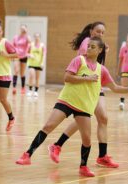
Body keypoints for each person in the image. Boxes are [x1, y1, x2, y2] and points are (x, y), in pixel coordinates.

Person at [16, 37, 128, 177]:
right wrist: (86, 78)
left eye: (93, 47)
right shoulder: (78, 60)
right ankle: (27, 155)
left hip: (84, 107)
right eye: (88, 46)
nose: (88, 48)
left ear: (100, 50)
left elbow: (115, 88)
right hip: (67, 101)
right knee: (48, 126)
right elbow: (67, 78)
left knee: (87, 139)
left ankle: (83, 167)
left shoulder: (102, 70)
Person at [48, 22, 118, 168]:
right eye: (98, 31)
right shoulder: (88, 43)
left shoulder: (97, 45)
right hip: (85, 86)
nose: (100, 34)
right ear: (91, 31)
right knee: (89, 118)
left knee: (101, 118)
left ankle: (101, 156)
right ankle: (58, 145)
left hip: (94, 85)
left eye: (103, 33)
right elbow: (84, 64)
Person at [11, 24, 31, 94]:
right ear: (20, 29)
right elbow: (12, 46)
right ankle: (14, 87)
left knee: (22, 73)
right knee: (16, 71)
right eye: (22, 29)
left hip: (24, 56)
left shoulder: (27, 37)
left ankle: (23, 87)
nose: (23, 30)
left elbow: (30, 42)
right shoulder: (16, 37)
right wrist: (12, 55)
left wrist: (26, 33)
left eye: (24, 29)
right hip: (16, 56)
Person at [26, 33, 46, 97]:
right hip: (31, 64)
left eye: (38, 37)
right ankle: (30, 90)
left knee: (37, 78)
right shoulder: (30, 45)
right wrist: (29, 55)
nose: (37, 38)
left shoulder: (42, 46)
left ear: (40, 37)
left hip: (38, 64)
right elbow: (26, 53)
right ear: (34, 37)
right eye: (35, 37)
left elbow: (44, 55)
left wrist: (42, 62)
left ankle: (36, 91)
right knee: (31, 75)